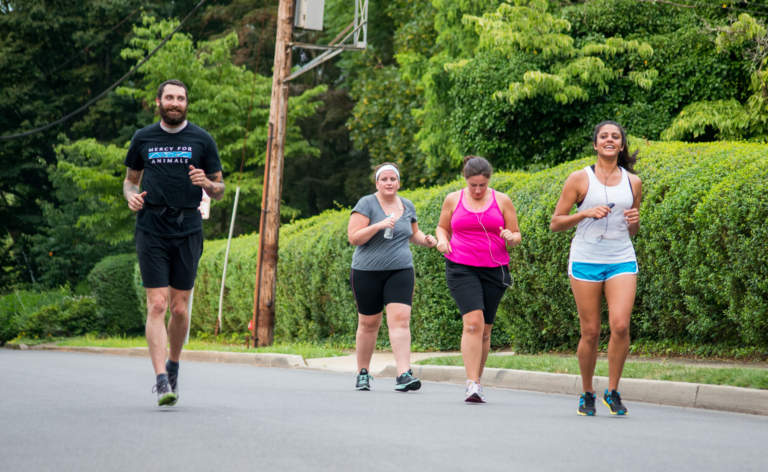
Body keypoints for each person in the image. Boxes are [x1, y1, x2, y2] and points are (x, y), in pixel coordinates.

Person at [123, 79, 225, 406]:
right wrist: (130, 197)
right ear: (159, 101)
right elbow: (130, 181)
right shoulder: (143, 138)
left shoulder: (202, 139)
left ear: (186, 103)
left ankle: (173, 366)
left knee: (179, 308)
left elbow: (220, 189)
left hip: (188, 227)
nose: (175, 102)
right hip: (151, 226)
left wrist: (206, 183)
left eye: (180, 98)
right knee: (157, 304)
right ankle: (160, 380)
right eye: (169, 97)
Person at [550, 121, 642, 416]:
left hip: (621, 258)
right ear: (595, 144)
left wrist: (635, 222)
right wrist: (585, 213)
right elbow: (556, 223)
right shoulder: (579, 178)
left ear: (622, 145)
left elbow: (633, 230)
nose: (609, 140)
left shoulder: (633, 182)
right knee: (590, 332)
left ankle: (612, 391)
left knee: (621, 326)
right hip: (586, 259)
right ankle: (587, 392)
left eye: (615, 136)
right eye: (604, 136)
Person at [435, 156, 521, 403]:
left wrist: (510, 237)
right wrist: (442, 240)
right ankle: (472, 384)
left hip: (495, 269)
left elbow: (516, 234)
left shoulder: (502, 200)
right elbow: (443, 227)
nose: (477, 190)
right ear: (466, 180)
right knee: (473, 324)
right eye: (473, 185)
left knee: (485, 330)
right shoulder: (453, 199)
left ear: (489, 181)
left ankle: (477, 380)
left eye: (482, 185)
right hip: (461, 267)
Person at [347, 162, 437, 392]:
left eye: (393, 179)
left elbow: (413, 233)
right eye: (384, 179)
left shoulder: (407, 205)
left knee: (401, 320)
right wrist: (378, 225)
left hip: (401, 270)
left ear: (398, 182)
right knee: (368, 324)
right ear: (377, 183)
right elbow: (354, 237)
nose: (389, 183)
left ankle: (403, 374)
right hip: (367, 272)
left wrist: (426, 240)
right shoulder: (366, 203)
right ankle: (363, 373)